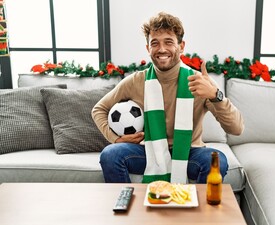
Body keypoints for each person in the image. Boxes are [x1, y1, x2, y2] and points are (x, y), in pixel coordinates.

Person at [92, 12, 244, 184]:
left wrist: (216, 96)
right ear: (148, 48)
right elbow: (99, 109)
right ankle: (127, 206)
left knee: (217, 161)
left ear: (181, 46)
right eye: (155, 43)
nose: (162, 49)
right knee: (110, 155)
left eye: (169, 42)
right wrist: (116, 139)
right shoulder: (136, 81)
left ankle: (195, 209)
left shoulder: (199, 82)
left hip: (189, 152)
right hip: (149, 152)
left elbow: (237, 128)